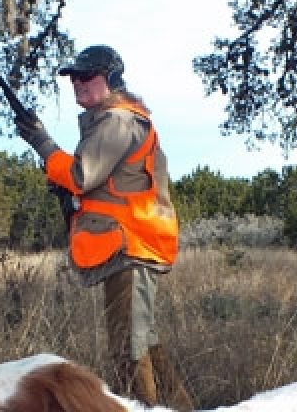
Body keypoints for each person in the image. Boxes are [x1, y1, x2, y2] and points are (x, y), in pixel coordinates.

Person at [15, 44, 193, 410]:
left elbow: (81, 175)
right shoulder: (115, 120)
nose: (78, 83)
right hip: (131, 248)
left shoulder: (116, 121)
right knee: (144, 343)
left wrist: (42, 144)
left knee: (127, 349)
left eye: (87, 75)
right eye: (74, 77)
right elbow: (95, 186)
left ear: (110, 78)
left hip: (130, 248)